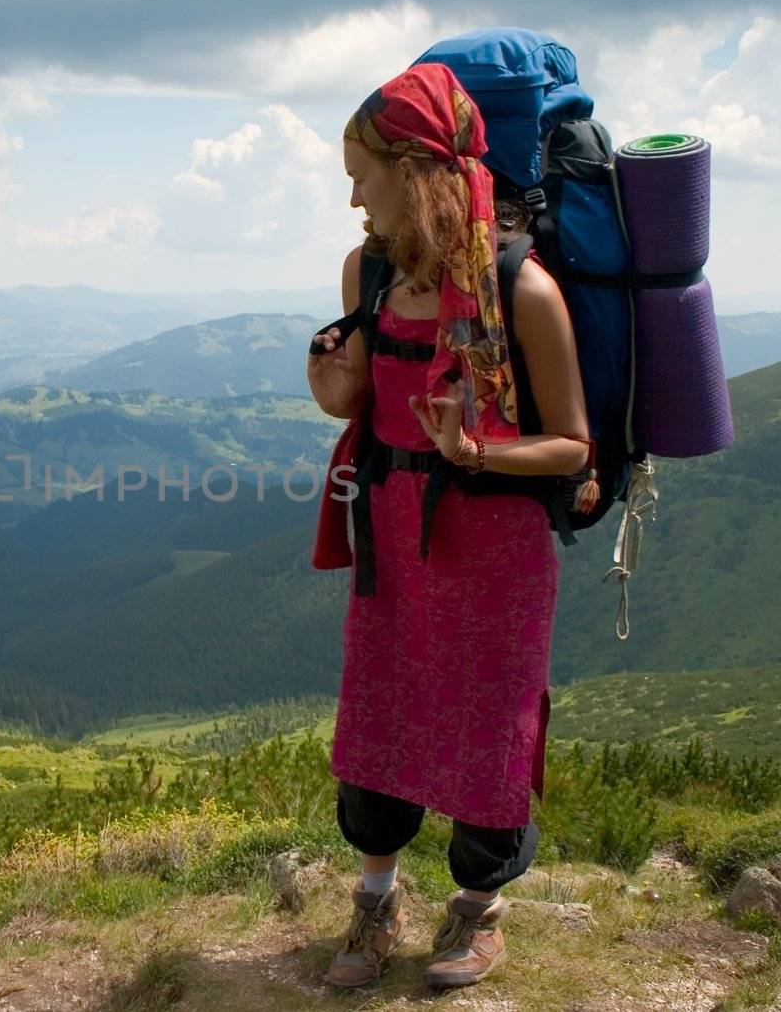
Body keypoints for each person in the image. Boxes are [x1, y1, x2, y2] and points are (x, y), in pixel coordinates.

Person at [306, 63, 592, 990]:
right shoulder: (370, 271)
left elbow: (573, 448)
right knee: (381, 709)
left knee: (488, 724)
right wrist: (332, 389)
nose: (353, 197)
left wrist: (479, 453)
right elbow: (363, 399)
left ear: (419, 170)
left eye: (363, 175)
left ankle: (478, 912)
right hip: (393, 530)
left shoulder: (525, 292)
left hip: (497, 548)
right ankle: (377, 897)